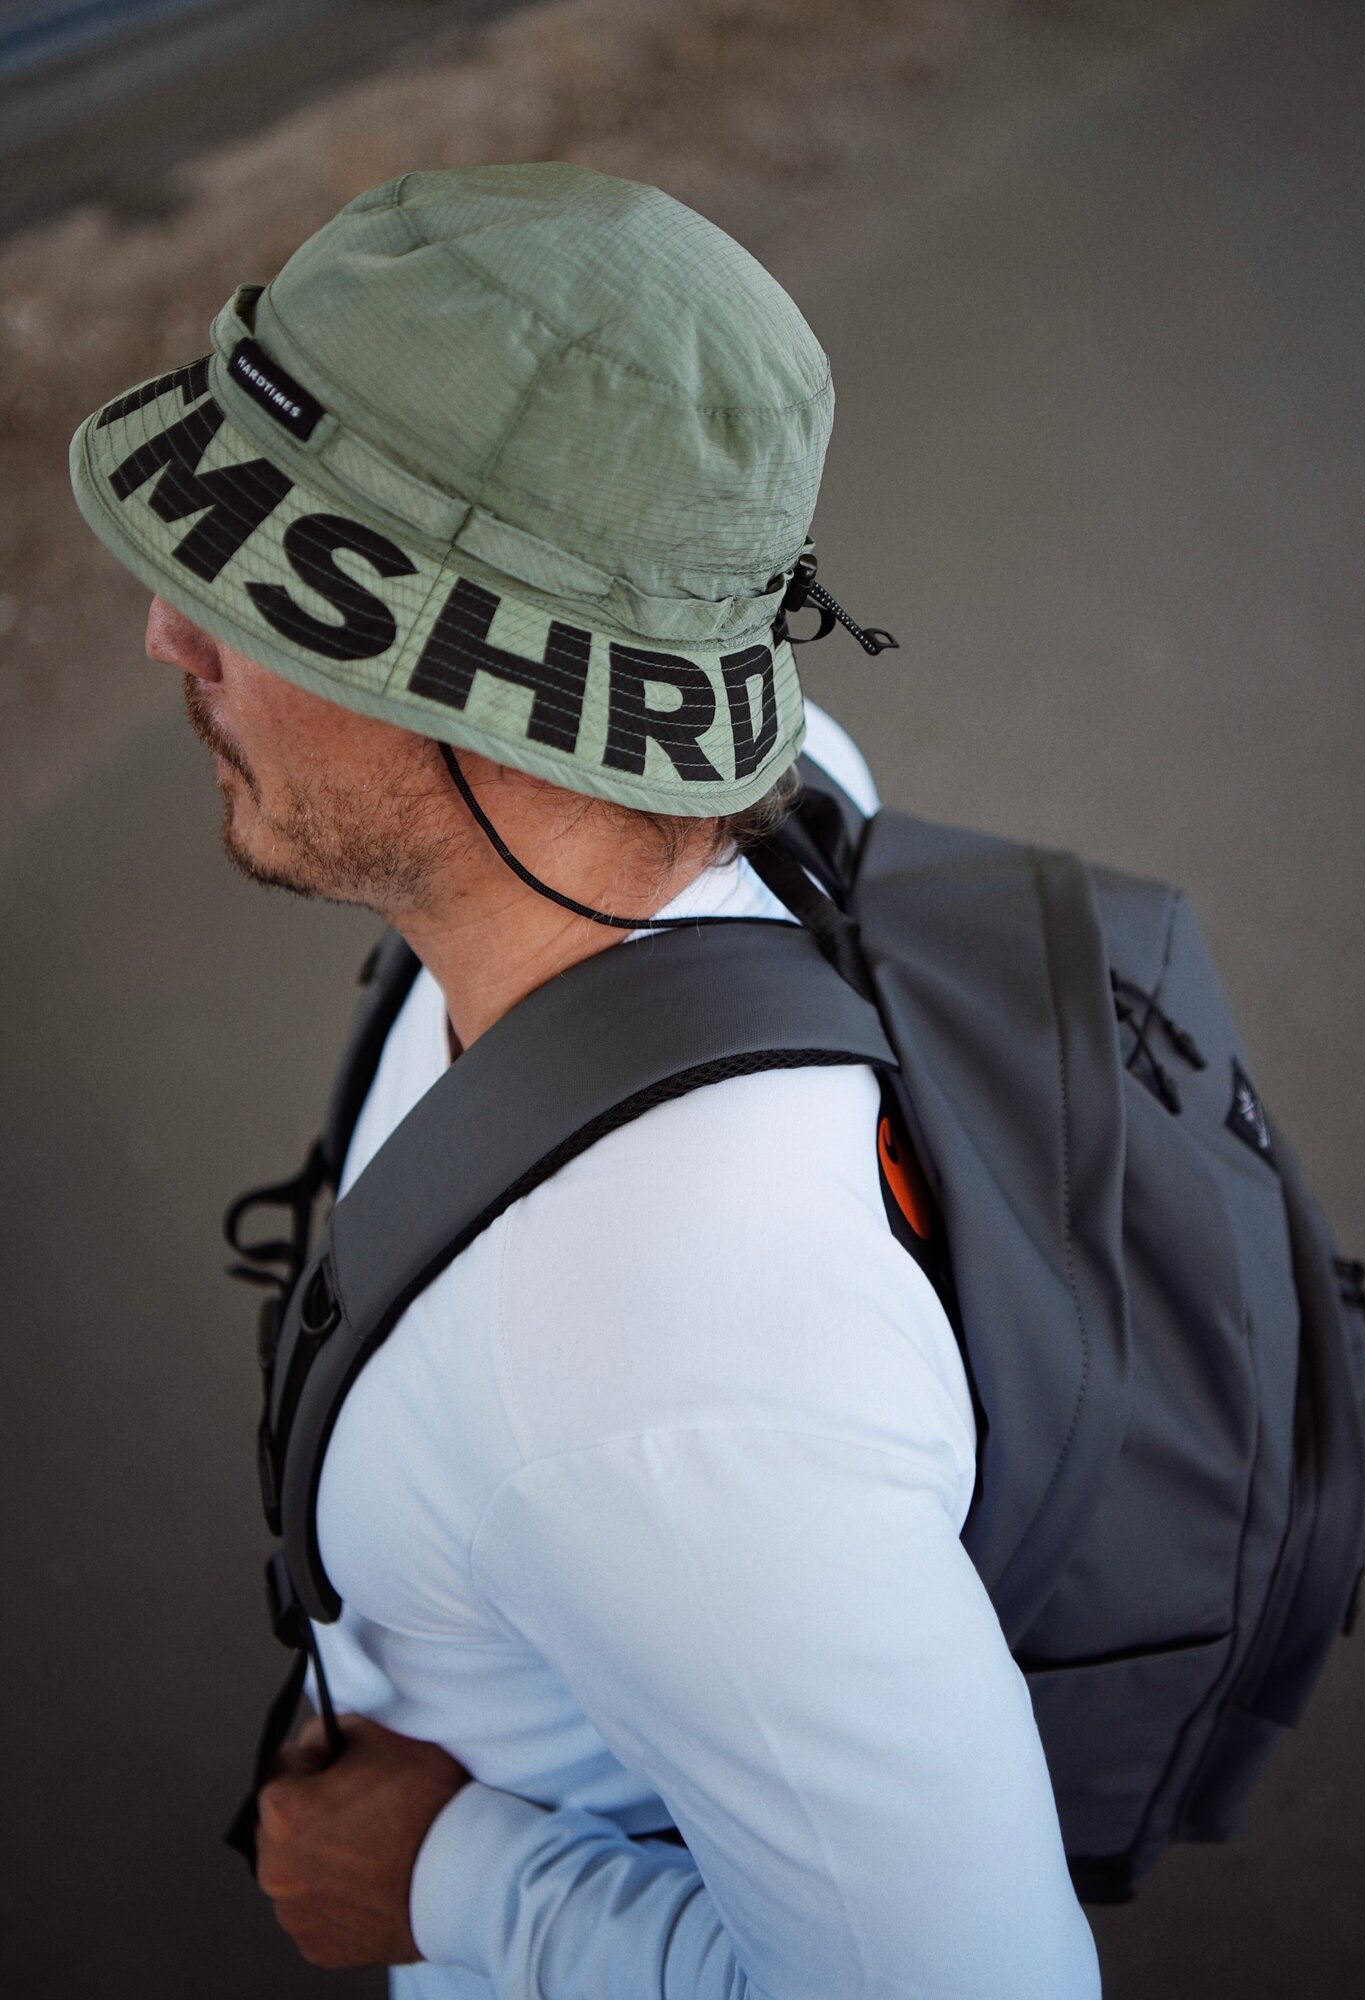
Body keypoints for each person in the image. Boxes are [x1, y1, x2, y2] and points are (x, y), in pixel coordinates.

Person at [70, 163, 1100, 1997]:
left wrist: (457, 1883)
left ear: (492, 692)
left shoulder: (668, 1382)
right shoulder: (769, 799)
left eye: (255, 587)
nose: (167, 631)